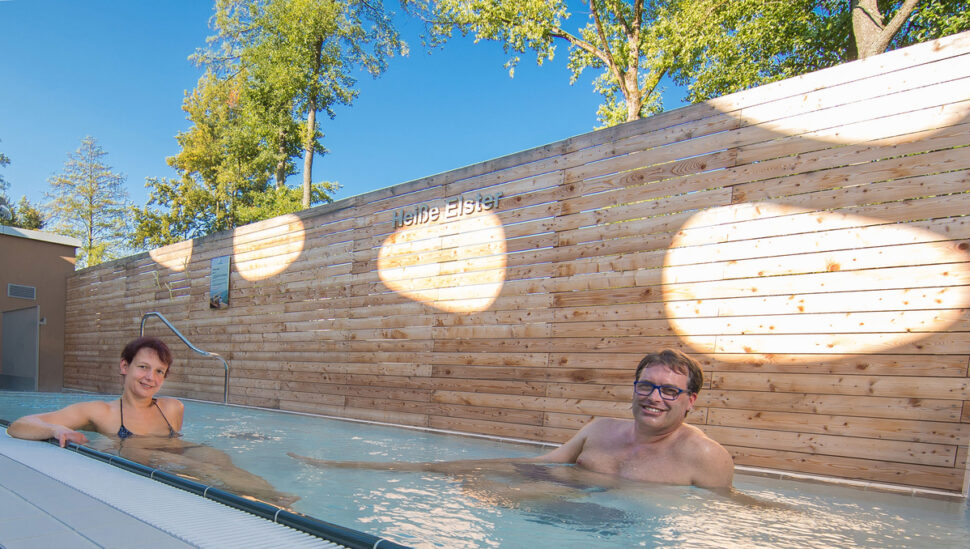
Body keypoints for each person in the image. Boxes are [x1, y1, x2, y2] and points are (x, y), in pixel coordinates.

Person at [290, 349, 734, 489]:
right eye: (645, 385)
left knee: (493, 495)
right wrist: (466, 467)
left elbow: (721, 514)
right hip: (566, 498)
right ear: (634, 387)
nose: (654, 397)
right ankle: (352, 468)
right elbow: (543, 462)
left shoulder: (703, 457)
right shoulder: (599, 430)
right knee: (472, 480)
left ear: (690, 401)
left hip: (619, 524)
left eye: (669, 390)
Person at [8, 336, 297, 507]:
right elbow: (18, 425)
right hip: (143, 457)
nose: (151, 378)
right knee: (190, 464)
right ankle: (266, 502)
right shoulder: (100, 412)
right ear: (125, 366)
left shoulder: (172, 408)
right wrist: (56, 428)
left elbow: (180, 445)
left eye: (159, 371)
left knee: (217, 458)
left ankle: (276, 500)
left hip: (177, 454)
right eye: (143, 367)